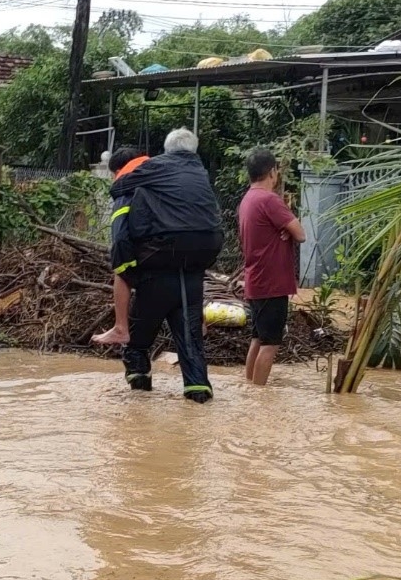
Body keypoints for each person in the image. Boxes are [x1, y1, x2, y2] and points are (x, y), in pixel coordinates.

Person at [110, 128, 223, 404]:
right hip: (199, 261)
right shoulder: (201, 171)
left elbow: (118, 191)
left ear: (166, 149)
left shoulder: (154, 169)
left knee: (137, 343)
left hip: (159, 265)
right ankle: (199, 397)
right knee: (191, 345)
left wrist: (126, 269)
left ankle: (138, 405)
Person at [237, 147, 305, 386]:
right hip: (272, 283)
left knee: (258, 339)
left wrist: (282, 231)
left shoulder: (248, 199)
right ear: (272, 172)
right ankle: (259, 395)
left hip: (256, 280)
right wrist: (286, 230)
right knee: (271, 343)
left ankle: (249, 388)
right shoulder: (269, 199)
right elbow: (300, 233)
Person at [93, 147, 148, 346]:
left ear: (118, 172)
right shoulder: (163, 180)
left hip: (149, 260)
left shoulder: (126, 189)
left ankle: (120, 328)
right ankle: (197, 321)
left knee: (120, 267)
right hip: (187, 253)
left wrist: (128, 270)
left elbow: (120, 239)